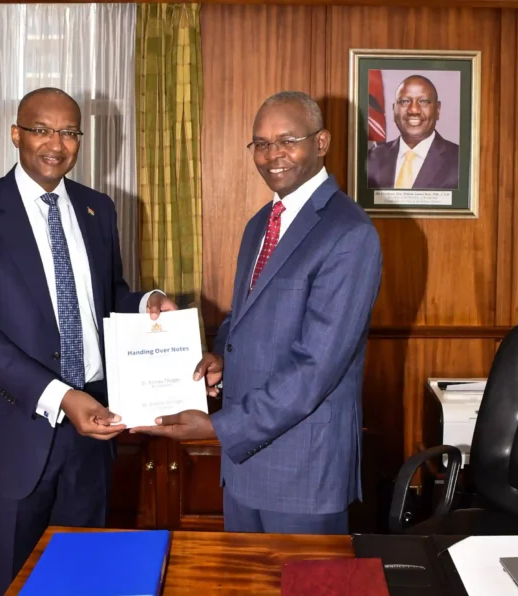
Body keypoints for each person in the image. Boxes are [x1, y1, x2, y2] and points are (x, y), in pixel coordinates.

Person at [0, 87, 176, 595]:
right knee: (10, 582)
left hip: (91, 432)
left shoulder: (98, 209)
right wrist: (61, 396)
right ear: (16, 134)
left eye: (69, 132)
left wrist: (146, 302)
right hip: (14, 429)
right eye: (42, 129)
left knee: (85, 577)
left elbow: (104, 294)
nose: (56, 143)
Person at [131, 91, 382, 535]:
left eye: (287, 140)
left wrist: (218, 426)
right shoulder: (260, 224)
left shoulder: (348, 233)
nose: (272, 155)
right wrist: (218, 356)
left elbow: (315, 369)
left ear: (321, 142)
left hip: (304, 471)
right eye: (260, 144)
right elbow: (246, 318)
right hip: (246, 468)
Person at [366, 75, 459, 190]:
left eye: (423, 101)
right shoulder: (371, 159)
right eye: (405, 101)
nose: (413, 110)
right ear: (394, 109)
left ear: (437, 109)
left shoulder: (460, 161)